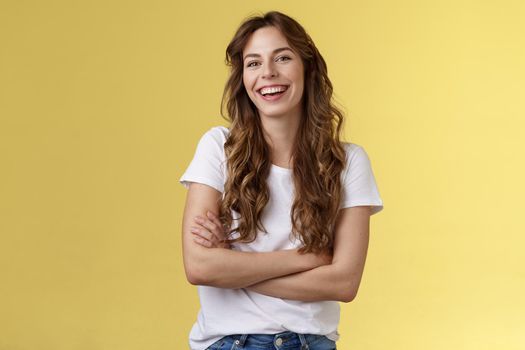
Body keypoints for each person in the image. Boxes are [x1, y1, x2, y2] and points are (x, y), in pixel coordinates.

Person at [179, 10, 383, 350]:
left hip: (312, 343)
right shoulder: (218, 147)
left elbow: (344, 282)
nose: (268, 73)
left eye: (283, 58)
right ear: (243, 78)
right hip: (231, 343)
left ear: (308, 68)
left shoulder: (348, 162)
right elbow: (199, 266)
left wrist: (233, 270)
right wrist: (308, 258)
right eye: (253, 63)